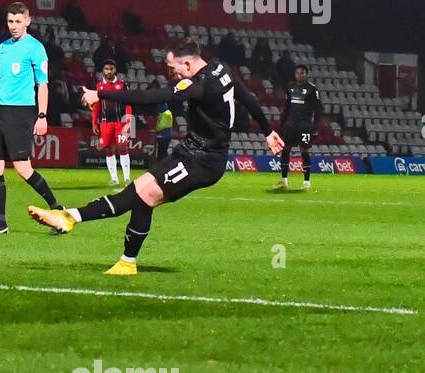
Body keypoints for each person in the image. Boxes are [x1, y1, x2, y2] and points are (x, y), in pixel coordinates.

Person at [31, 37, 283, 274]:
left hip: (203, 161)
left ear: (187, 63)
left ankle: (86, 230)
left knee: (142, 196)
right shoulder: (221, 68)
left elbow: (150, 97)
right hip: (191, 152)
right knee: (138, 194)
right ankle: (97, 239)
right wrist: (268, 130)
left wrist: (101, 94)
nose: (171, 73)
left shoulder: (199, 86)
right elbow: (247, 97)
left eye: (173, 67)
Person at [0, 1, 63, 233]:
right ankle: (0, 222)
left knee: (23, 169)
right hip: (0, 112)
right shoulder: (3, 47)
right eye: (10, 21)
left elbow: (43, 85)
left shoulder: (35, 48)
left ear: (27, 21)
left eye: (18, 21)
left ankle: (58, 209)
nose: (13, 26)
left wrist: (42, 116)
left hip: (21, 113)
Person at [275, 64, 322, 191]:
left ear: (306, 74)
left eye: (302, 73)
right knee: (286, 149)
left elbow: (318, 111)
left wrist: (315, 128)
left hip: (305, 125)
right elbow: (286, 107)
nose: (299, 75)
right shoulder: (290, 87)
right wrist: (282, 125)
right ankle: (284, 181)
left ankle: (306, 181)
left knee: (304, 150)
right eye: (297, 73)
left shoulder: (313, 89)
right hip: (290, 125)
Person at [92, 58, 133, 185]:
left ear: (115, 70)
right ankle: (114, 178)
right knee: (108, 149)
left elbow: (128, 103)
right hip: (105, 123)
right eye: (106, 69)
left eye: (111, 69)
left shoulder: (122, 85)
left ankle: (126, 177)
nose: (109, 71)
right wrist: (94, 122)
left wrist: (129, 119)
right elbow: (96, 105)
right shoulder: (99, 86)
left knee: (122, 147)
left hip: (120, 121)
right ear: (103, 70)